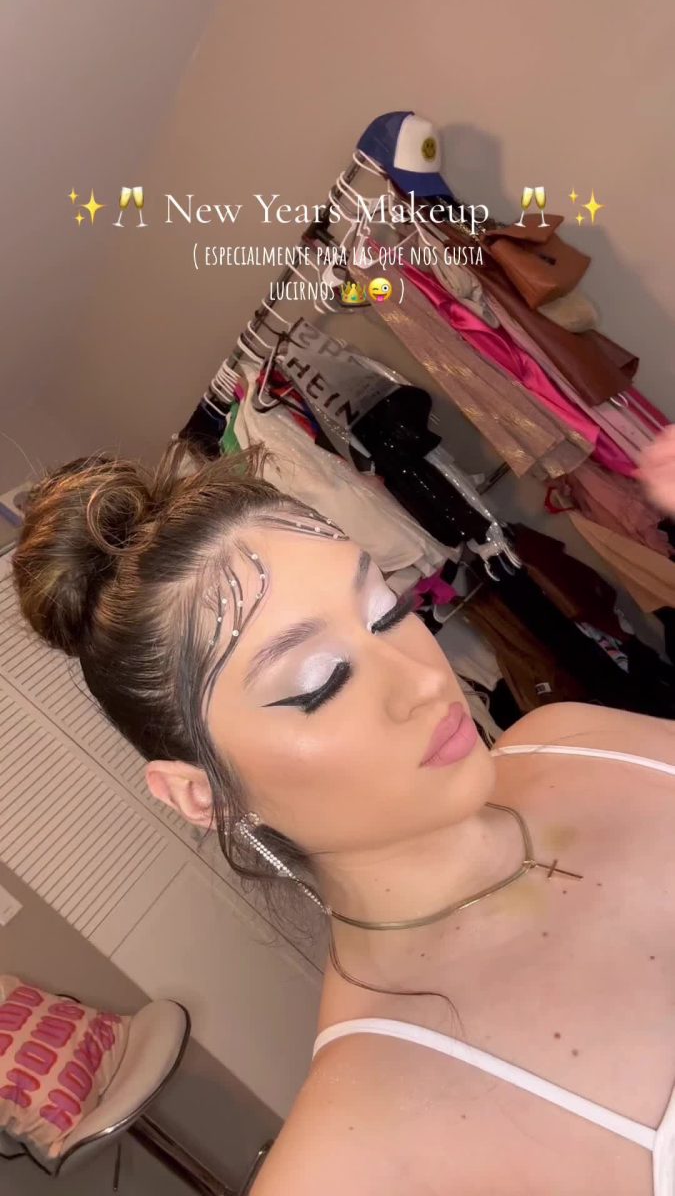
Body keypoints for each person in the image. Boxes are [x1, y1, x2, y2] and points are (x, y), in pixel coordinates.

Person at [12, 439, 675, 1196]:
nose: (420, 682)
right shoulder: (354, 1160)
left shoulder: (568, 735)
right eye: (320, 681)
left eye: (386, 612)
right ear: (204, 795)